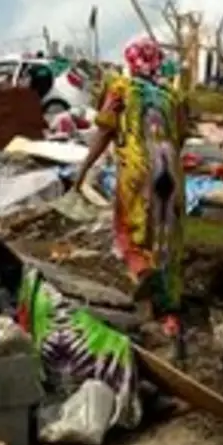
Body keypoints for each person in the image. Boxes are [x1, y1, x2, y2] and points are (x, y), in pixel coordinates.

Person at [74, 37, 188, 353]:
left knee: (132, 233)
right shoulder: (172, 94)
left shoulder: (121, 89)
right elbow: (182, 134)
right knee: (168, 239)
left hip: (139, 173)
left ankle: (146, 292)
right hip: (172, 172)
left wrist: (83, 170)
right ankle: (170, 312)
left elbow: (104, 131)